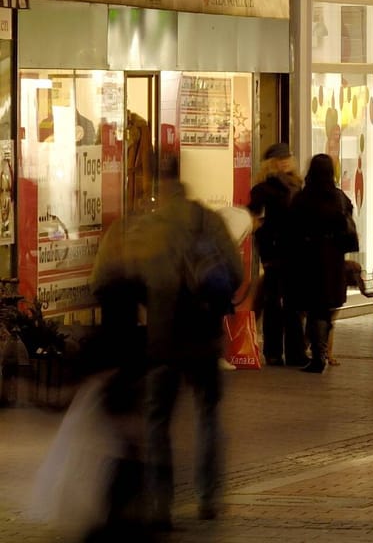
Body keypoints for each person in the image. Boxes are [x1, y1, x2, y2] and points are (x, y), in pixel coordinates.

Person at [105, 177, 244, 526]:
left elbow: (131, 277)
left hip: (165, 337)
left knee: (158, 421)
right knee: (209, 416)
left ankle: (160, 503)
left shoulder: (152, 227)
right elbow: (236, 271)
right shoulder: (208, 221)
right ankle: (208, 498)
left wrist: (155, 305)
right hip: (205, 336)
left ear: (162, 192)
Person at [282, 154, 358, 374]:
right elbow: (348, 217)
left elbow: (292, 229)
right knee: (324, 309)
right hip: (332, 259)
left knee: (313, 307)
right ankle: (321, 352)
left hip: (307, 259)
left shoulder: (302, 198)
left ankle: (316, 355)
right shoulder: (339, 198)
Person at [246, 142, 303, 367]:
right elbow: (253, 218)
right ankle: (274, 352)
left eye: (287, 157)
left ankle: (295, 351)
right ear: (271, 163)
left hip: (296, 251)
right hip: (275, 251)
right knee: (273, 302)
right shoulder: (263, 189)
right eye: (280, 159)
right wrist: (265, 241)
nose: (285, 161)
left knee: (292, 302)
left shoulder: (298, 185)